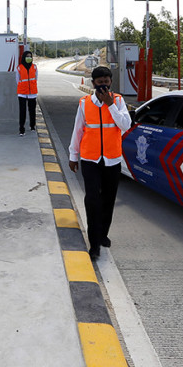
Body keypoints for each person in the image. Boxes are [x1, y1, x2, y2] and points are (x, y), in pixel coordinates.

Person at [68, 66, 132, 261]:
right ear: (93, 83)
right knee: (92, 200)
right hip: (90, 159)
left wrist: (110, 105)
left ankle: (103, 234)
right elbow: (78, 130)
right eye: (100, 82)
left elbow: (126, 125)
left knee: (108, 199)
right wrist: (73, 155)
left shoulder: (119, 101)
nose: (103, 85)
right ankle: (94, 243)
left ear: (110, 82)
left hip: (112, 159)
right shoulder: (84, 103)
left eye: (107, 81)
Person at [16, 50, 38, 136]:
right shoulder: (19, 68)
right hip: (22, 93)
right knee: (22, 111)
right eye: (27, 56)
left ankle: (32, 126)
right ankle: (22, 129)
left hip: (32, 93)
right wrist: (24, 87)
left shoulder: (35, 67)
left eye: (30, 56)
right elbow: (17, 80)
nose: (29, 58)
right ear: (24, 57)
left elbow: (36, 78)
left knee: (32, 111)